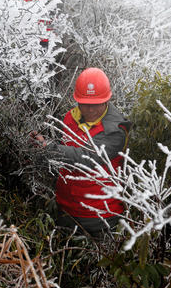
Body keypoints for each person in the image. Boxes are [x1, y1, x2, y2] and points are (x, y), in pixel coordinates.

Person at [29, 68, 131, 237]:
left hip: (99, 217)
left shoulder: (116, 130)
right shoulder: (70, 117)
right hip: (66, 210)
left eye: (96, 104)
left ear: (106, 100)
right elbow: (65, 150)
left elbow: (87, 158)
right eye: (85, 104)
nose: (90, 110)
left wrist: (48, 148)